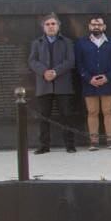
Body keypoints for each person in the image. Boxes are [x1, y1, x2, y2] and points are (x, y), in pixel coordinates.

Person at [27, 13, 77, 154]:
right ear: (43, 27)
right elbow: (32, 61)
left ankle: (70, 145)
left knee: (66, 116)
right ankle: (44, 146)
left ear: (58, 26)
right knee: (43, 117)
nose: (50, 26)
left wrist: (55, 72)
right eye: (47, 24)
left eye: (53, 24)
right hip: (44, 85)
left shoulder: (67, 42)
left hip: (63, 85)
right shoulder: (37, 43)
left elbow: (70, 61)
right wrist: (44, 72)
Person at [75, 14, 111, 151]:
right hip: (89, 83)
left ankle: (110, 140)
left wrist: (108, 77)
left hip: (108, 82)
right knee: (92, 112)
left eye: (99, 24)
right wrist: (88, 78)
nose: (96, 26)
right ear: (89, 26)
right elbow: (79, 63)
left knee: (108, 111)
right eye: (94, 24)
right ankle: (94, 141)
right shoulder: (81, 43)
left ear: (104, 27)